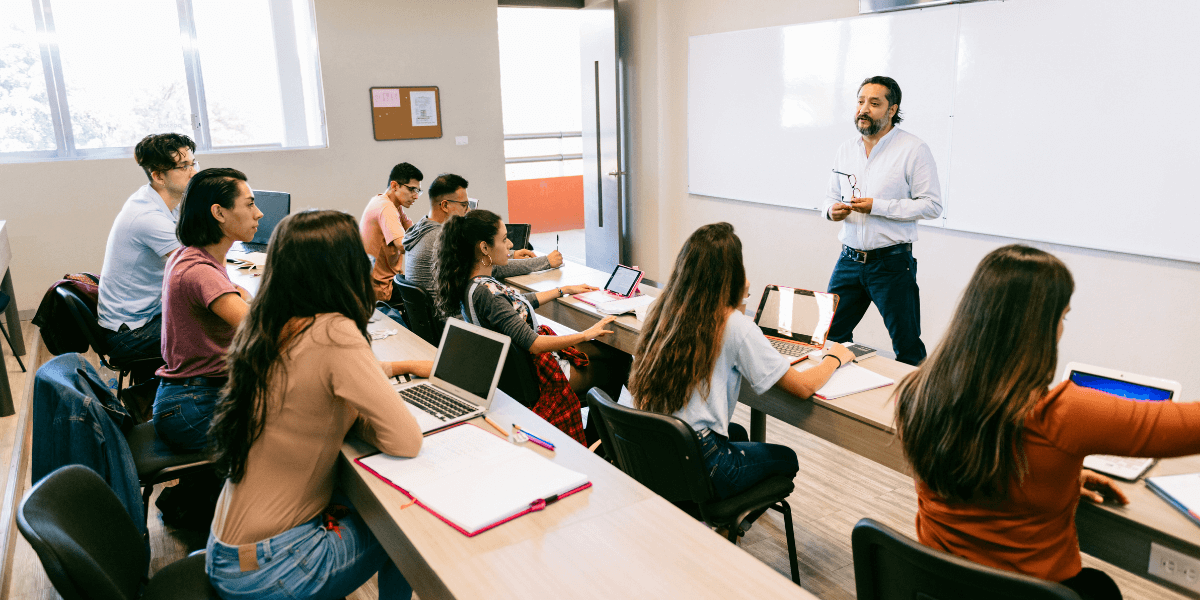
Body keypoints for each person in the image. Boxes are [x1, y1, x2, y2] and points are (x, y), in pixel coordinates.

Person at [895, 244, 1200, 600]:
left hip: (941, 588)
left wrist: (1057, 477)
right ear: (1039, 327)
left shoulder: (917, 393)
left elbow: (980, 462)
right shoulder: (1063, 415)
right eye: (1063, 317)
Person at [206, 210, 431, 600]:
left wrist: (381, 382)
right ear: (344, 267)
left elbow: (317, 388)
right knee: (406, 522)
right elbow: (405, 441)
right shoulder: (333, 330)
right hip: (273, 567)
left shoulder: (269, 322)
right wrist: (365, 414)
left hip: (228, 552)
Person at [627, 223, 854, 500]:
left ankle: (715, 514)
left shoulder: (662, 308)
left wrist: (739, 298)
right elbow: (803, 387)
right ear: (731, 274)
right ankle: (723, 525)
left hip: (655, 446)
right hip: (700, 458)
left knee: (738, 432)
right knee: (786, 459)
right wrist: (834, 358)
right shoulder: (733, 325)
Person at [432, 209, 613, 444]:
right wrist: (585, 333)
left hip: (515, 376)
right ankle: (600, 441)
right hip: (537, 378)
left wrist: (563, 290)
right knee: (616, 362)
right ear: (484, 248)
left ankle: (597, 437)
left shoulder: (474, 284)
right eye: (504, 239)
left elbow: (518, 305)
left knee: (603, 352)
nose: (510, 244)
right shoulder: (490, 295)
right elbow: (535, 344)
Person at [823, 76, 942, 366]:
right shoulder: (845, 149)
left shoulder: (913, 149)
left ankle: (915, 409)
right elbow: (828, 197)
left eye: (874, 103)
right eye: (861, 101)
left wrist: (879, 207)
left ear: (892, 110)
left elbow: (932, 205)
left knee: (907, 346)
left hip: (891, 265)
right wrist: (830, 211)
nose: (864, 109)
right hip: (848, 261)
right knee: (829, 337)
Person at [153, 168, 259, 453]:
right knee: (302, 427)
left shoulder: (191, 254)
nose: (258, 213)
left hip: (187, 398)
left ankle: (194, 494)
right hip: (194, 408)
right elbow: (263, 329)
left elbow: (242, 294)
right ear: (219, 213)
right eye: (249, 204)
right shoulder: (201, 272)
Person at [97, 133, 197, 368]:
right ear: (159, 176)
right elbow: (193, 270)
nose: (193, 172)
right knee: (222, 330)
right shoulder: (148, 217)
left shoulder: (164, 201)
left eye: (193, 163)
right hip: (129, 335)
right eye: (183, 166)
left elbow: (196, 245)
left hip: (147, 315)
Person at [403, 173, 562, 295]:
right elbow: (489, 267)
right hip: (453, 320)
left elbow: (480, 258)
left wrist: (511, 254)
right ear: (445, 205)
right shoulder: (441, 239)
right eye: (464, 205)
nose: (468, 210)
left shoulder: (421, 228)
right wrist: (545, 261)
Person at [361, 162, 421, 304]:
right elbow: (402, 245)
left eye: (418, 191)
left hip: (378, 282)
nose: (416, 196)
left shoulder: (389, 203)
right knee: (431, 295)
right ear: (394, 186)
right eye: (412, 189)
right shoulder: (386, 208)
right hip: (381, 289)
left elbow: (413, 231)